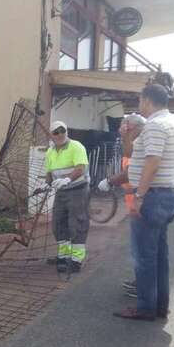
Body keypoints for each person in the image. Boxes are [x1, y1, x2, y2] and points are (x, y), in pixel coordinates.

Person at [113, 84, 174, 321]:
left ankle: (145, 308)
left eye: (140, 100)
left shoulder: (154, 126)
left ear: (147, 100)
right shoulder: (165, 124)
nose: (139, 105)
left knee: (144, 257)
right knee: (159, 255)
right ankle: (159, 305)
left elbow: (152, 161)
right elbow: (137, 154)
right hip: (165, 195)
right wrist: (126, 135)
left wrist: (139, 197)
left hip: (152, 196)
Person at [99, 113, 146, 298]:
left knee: (142, 247)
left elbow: (130, 172)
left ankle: (142, 286)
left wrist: (109, 182)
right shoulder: (135, 144)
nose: (118, 131)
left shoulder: (140, 142)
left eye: (121, 127)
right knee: (141, 247)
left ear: (129, 127)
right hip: (135, 201)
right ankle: (140, 281)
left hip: (140, 203)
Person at [45, 121, 90, 274]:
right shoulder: (50, 152)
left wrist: (67, 179)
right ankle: (63, 256)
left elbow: (80, 168)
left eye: (62, 130)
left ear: (66, 131)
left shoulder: (76, 146)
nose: (59, 134)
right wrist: (47, 184)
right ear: (51, 135)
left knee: (77, 223)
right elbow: (49, 173)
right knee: (58, 223)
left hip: (77, 189)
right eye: (55, 132)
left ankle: (76, 261)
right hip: (61, 192)